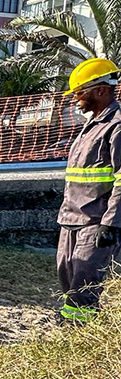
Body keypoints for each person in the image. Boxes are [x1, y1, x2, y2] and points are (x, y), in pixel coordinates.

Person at [57, 57, 121, 323]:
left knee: (83, 287)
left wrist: (111, 223)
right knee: (67, 278)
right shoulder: (91, 125)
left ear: (101, 90)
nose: (75, 99)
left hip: (95, 223)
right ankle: (71, 327)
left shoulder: (116, 126)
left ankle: (77, 331)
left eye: (80, 92)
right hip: (70, 219)